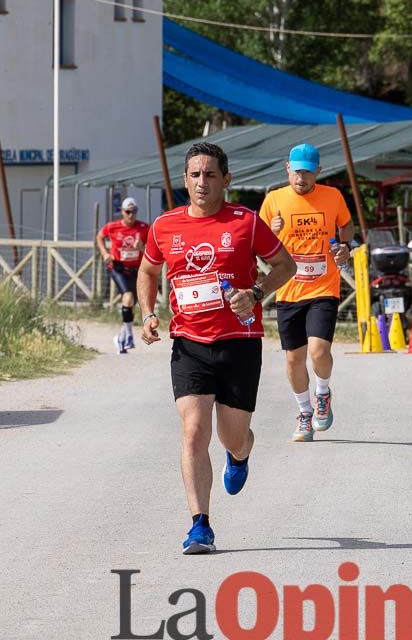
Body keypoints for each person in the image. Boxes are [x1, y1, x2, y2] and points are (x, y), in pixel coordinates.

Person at [137, 141, 296, 554]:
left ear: (226, 180)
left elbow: (286, 266)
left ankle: (241, 454)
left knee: (232, 436)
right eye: (194, 175)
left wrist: (256, 292)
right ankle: (199, 525)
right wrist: (148, 313)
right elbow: (149, 270)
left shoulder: (246, 221)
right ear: (184, 180)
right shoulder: (164, 226)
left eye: (210, 175)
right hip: (190, 343)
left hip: (239, 343)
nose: (201, 182)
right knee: (193, 432)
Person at [258, 143, 353, 442]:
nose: (302, 178)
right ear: (287, 168)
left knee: (318, 350)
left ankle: (322, 394)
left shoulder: (333, 196)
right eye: (297, 172)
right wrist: (270, 231)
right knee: (293, 359)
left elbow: (347, 226)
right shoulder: (273, 200)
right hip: (288, 289)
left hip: (324, 285)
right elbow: (255, 242)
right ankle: (304, 413)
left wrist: (345, 247)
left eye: (308, 173)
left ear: (318, 173)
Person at [97, 196, 150, 354]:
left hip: (136, 269)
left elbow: (152, 249)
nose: (131, 215)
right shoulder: (113, 227)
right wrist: (105, 253)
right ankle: (130, 337)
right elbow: (100, 236)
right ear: (122, 212)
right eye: (128, 212)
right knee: (127, 297)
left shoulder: (143, 228)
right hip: (118, 267)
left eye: (134, 212)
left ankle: (121, 338)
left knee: (131, 305)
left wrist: (142, 247)